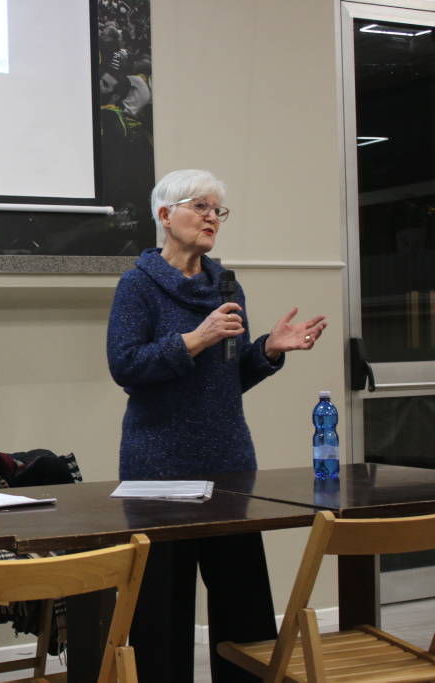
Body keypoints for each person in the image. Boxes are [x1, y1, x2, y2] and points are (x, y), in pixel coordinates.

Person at [106, 169, 327, 682]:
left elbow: (228, 380)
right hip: (158, 467)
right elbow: (126, 368)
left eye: (217, 210)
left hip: (229, 463)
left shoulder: (226, 284)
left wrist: (268, 350)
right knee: (162, 609)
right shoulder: (137, 285)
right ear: (165, 215)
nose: (211, 218)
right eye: (200, 207)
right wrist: (193, 340)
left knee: (244, 606)